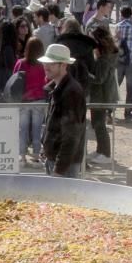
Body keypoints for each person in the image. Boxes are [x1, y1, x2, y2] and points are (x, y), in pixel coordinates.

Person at [39, 44, 86, 178]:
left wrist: (59, 170)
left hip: (65, 165)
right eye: (46, 62)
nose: (46, 66)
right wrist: (46, 147)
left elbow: (72, 136)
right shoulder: (57, 88)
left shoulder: (71, 92)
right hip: (56, 159)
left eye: (52, 63)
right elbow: (53, 124)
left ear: (64, 65)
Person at [14, 37, 47, 167]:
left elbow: (14, 79)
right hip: (39, 99)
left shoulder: (21, 63)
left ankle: (22, 157)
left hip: (24, 100)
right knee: (37, 130)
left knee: (22, 129)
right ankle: (36, 157)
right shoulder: (43, 65)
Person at [87, 26, 119, 165]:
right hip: (102, 95)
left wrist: (85, 74)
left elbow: (99, 79)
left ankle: (105, 154)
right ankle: (101, 150)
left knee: (99, 125)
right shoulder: (106, 56)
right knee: (97, 124)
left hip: (102, 96)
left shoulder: (104, 59)